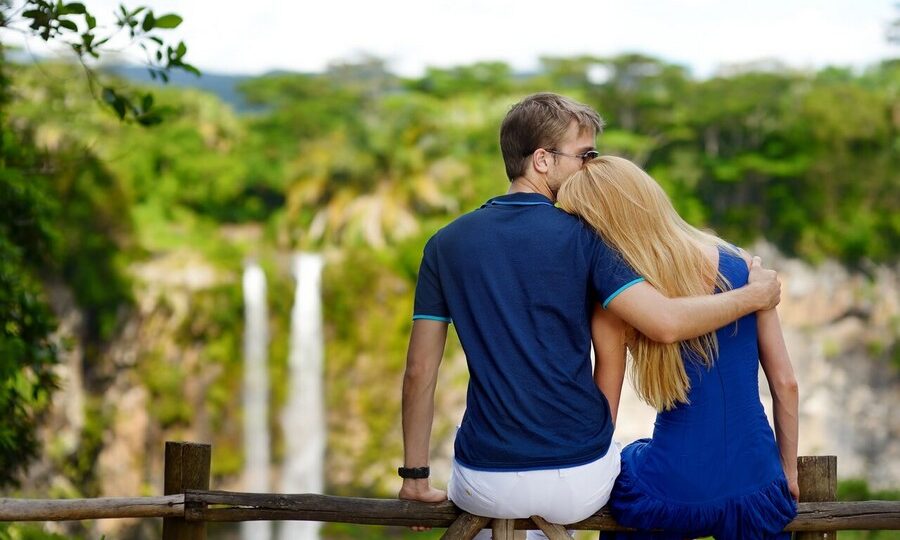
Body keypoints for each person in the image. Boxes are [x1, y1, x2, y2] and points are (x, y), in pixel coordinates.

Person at [398, 93, 782, 539]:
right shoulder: (588, 238)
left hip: (486, 479)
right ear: (542, 160)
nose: (590, 166)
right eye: (585, 155)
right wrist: (753, 297)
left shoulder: (444, 245)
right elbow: (664, 323)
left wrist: (414, 475)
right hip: (576, 479)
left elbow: (418, 371)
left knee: (492, 511)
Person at [557, 155, 799, 539]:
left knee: (630, 464)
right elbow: (785, 384)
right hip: (756, 484)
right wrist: (787, 472)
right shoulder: (746, 268)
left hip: (672, 489)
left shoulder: (617, 301)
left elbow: (605, 414)